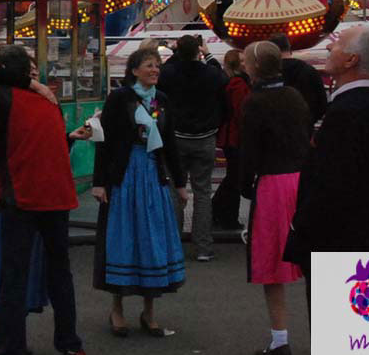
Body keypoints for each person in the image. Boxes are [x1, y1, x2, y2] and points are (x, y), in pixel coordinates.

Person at [0, 45, 85, 355]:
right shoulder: (48, 99)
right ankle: (70, 345)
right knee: (60, 272)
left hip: (21, 194)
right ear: (30, 71)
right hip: (59, 195)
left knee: (14, 277)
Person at [288, 25, 369, 303]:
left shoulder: (348, 111)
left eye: (336, 45)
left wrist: (302, 226)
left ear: (351, 60)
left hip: (337, 240)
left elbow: (331, 182)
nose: (327, 48)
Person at [92, 43, 189, 339]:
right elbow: (103, 141)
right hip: (125, 175)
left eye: (157, 65)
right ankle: (117, 308)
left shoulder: (162, 100)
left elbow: (169, 142)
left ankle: (149, 311)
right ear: (134, 70)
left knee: (152, 239)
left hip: (152, 174)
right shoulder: (120, 99)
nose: (155, 70)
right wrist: (99, 182)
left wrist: (181, 182)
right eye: (149, 65)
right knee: (124, 237)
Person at [239, 41, 311, 355]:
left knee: (271, 263)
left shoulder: (254, 102)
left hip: (272, 182)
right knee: (312, 262)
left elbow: (249, 153)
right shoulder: (295, 97)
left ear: (254, 67)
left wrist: (244, 186)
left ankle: (280, 338)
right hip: (300, 179)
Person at [157, 34, 227, 261]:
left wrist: (176, 53)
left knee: (175, 189)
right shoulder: (211, 74)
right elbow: (224, 81)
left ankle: (173, 246)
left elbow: (161, 82)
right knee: (203, 191)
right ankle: (203, 247)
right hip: (205, 137)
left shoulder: (168, 73)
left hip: (176, 137)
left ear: (178, 51)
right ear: (198, 51)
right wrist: (207, 54)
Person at [212, 48, 251, 231]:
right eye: (243, 60)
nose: (246, 63)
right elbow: (241, 113)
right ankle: (225, 214)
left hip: (231, 136)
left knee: (234, 177)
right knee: (235, 178)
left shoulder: (234, 83)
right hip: (236, 138)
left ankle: (220, 211)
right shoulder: (239, 84)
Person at [268, 34, 327, 127]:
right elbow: (322, 103)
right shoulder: (309, 70)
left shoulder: (268, 73)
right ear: (289, 48)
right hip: (305, 128)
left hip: (276, 130)